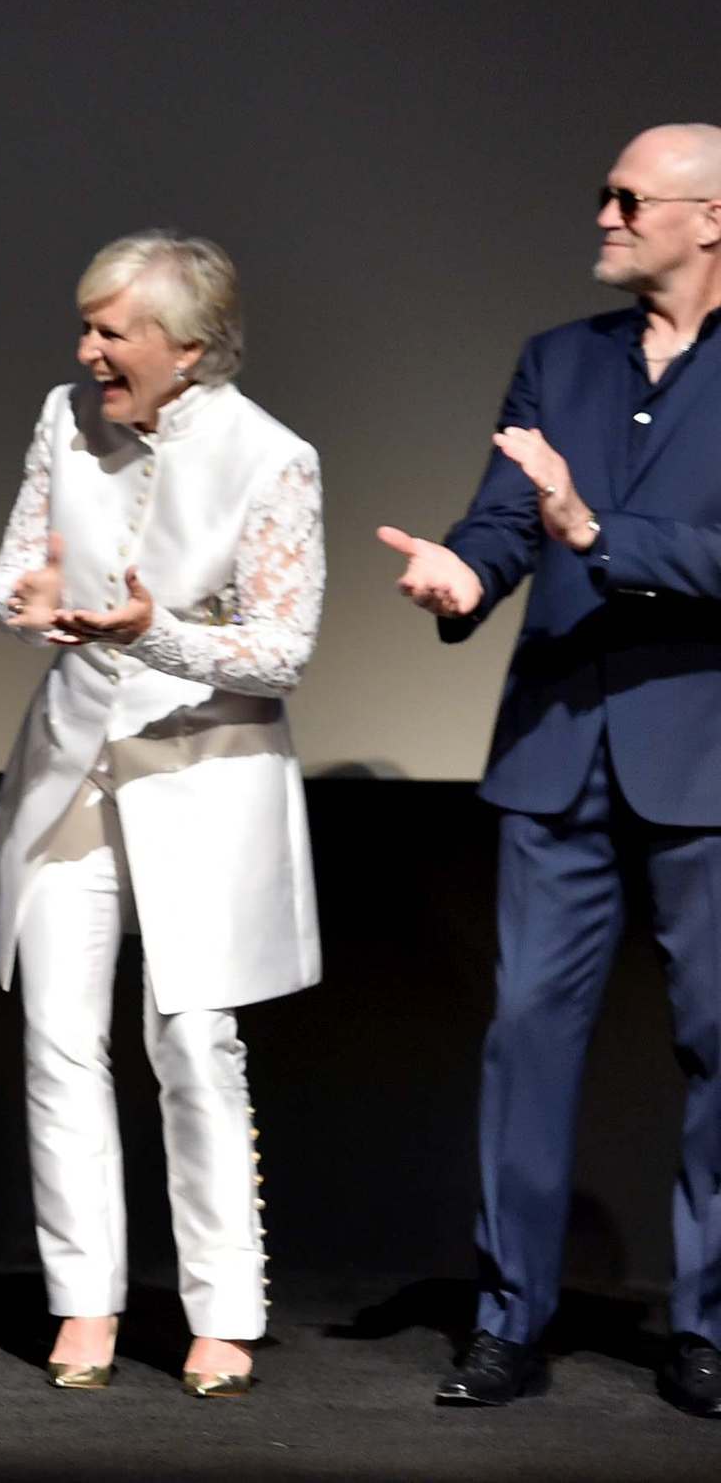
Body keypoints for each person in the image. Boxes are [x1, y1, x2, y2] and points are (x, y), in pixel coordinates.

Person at [379, 123, 721, 1418]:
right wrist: (465, 571)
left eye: (633, 198)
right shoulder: (557, 359)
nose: (609, 212)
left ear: (711, 220)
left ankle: (707, 1325)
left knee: (719, 1047)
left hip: (704, 757)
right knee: (527, 1042)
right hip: (559, 752)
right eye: (607, 193)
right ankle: (508, 1319)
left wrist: (601, 530)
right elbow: (505, 515)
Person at [0, 231, 323, 1398]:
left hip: (200, 776)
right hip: (72, 770)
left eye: (111, 331)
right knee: (59, 1037)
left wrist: (146, 629)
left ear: (190, 346)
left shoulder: (273, 457)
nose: (87, 350)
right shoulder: (64, 418)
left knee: (192, 1043)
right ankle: (85, 1299)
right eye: (87, 326)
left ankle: (220, 1308)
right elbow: (21, 564)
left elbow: (280, 648)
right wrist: (26, 605)